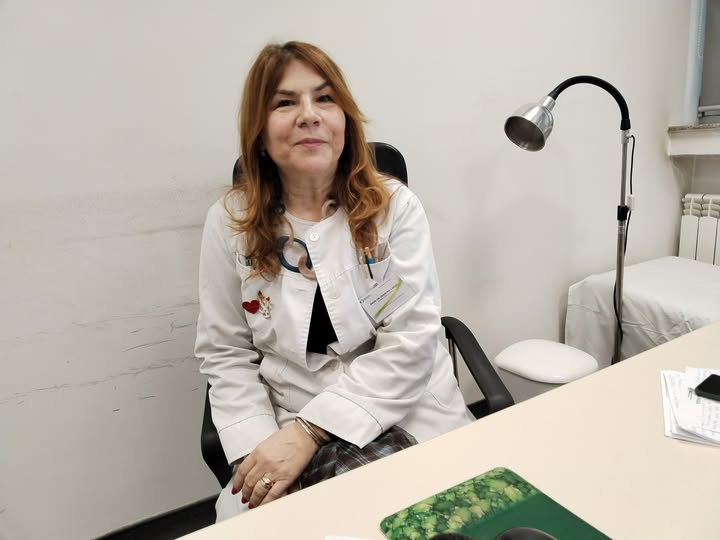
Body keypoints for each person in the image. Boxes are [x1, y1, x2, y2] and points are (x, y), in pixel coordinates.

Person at [195, 40, 473, 521]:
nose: (309, 115)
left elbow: (412, 338)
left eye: (325, 98)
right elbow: (226, 352)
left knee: (438, 514)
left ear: (345, 119)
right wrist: (260, 449)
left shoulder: (394, 208)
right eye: (285, 103)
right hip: (284, 415)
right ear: (259, 133)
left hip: (406, 406)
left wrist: (312, 431)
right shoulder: (229, 222)